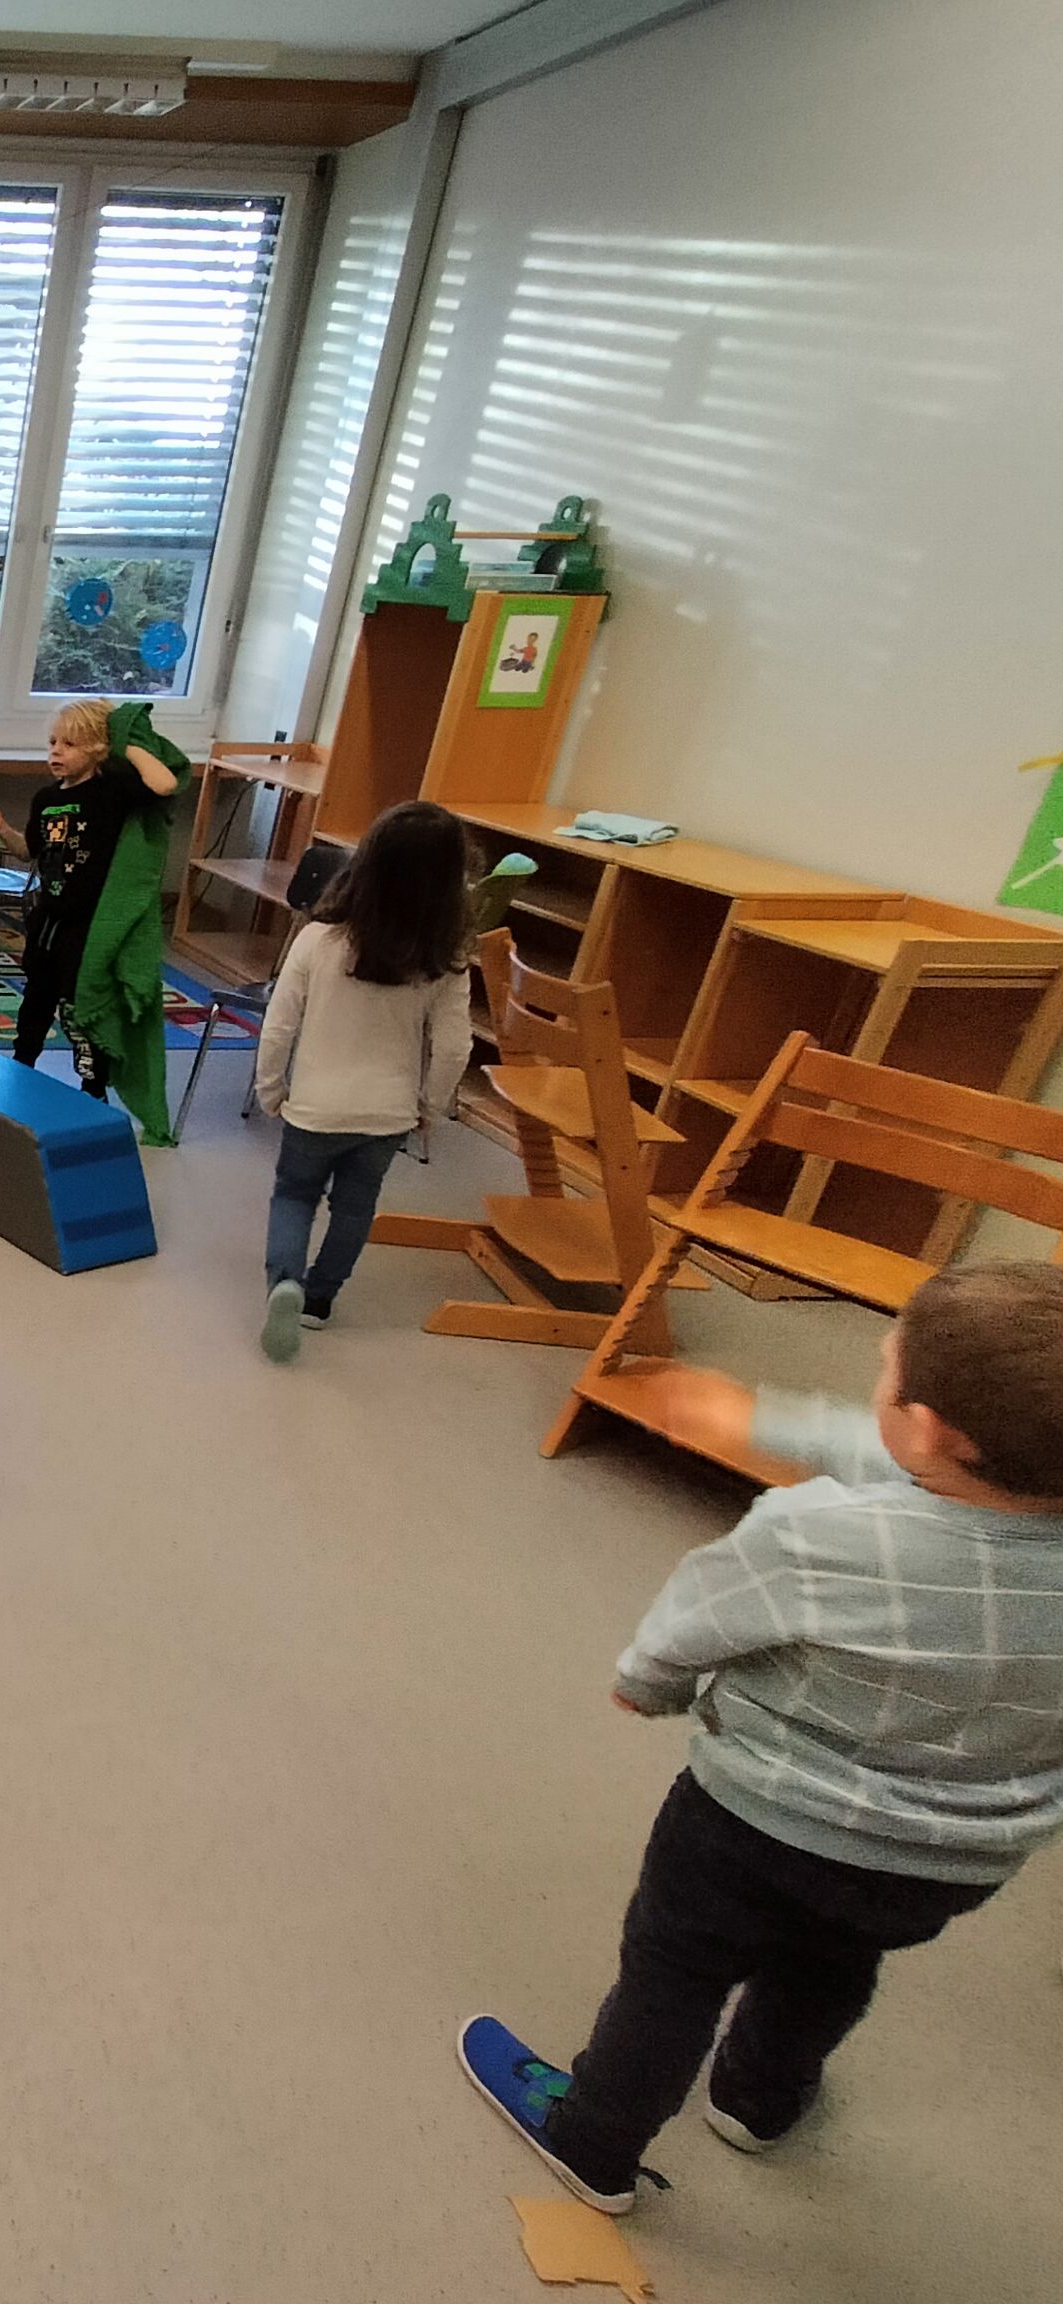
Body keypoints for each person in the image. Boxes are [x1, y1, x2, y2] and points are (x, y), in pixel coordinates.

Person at [459, 1265, 1063, 2215]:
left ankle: (594, 2143)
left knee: (675, 1975)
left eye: (885, 1371)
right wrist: (758, 1418)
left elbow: (697, 1622)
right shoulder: (995, 1473)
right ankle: (759, 2101)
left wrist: (645, 1685)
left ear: (931, 1429)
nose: (875, 1378)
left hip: (754, 1827)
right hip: (943, 1866)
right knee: (832, 1964)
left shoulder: (814, 1534)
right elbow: (901, 1458)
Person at [250, 801, 474, 1362]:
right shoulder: (445, 958)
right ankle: (320, 1300)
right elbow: (454, 1047)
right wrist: (430, 1107)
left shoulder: (318, 940)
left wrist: (270, 1089)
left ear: (365, 862)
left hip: (315, 1108)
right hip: (386, 1114)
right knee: (355, 1208)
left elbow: (278, 1026)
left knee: (294, 1194)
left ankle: (285, 1281)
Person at [0, 698, 192, 1144]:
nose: (55, 751)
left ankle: (92, 1089)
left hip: (90, 926)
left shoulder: (112, 791)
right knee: (36, 1000)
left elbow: (165, 783)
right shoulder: (47, 798)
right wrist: (1, 827)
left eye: (69, 744)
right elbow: (29, 852)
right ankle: (21, 1069)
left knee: (81, 1008)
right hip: (48, 920)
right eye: (52, 742)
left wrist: (125, 744)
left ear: (96, 749)